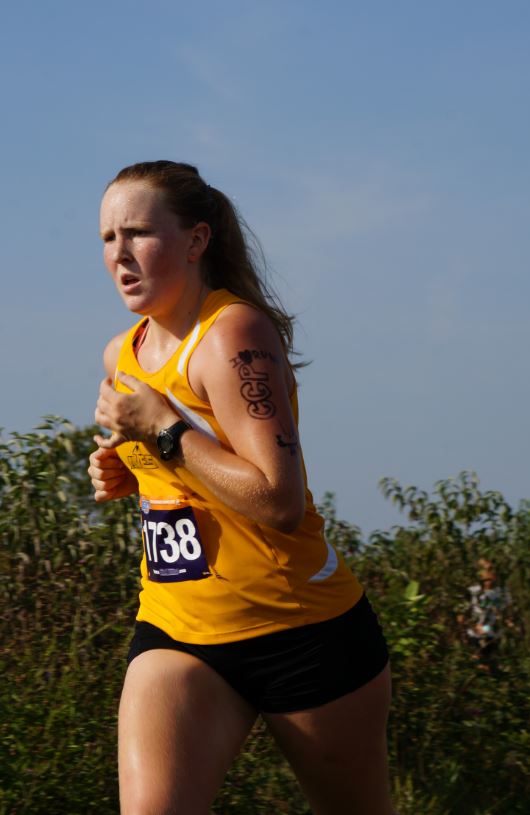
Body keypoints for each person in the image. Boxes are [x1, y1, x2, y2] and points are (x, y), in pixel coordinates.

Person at [88, 160, 396, 815]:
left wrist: (164, 429)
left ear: (197, 240)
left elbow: (279, 500)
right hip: (179, 628)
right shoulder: (123, 352)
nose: (120, 254)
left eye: (139, 232)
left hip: (303, 633)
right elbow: (169, 467)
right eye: (108, 237)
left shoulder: (234, 335)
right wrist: (121, 468)